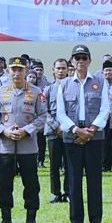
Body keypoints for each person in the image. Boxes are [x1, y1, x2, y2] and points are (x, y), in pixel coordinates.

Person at [55, 44, 112, 223]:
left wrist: (91, 130)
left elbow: (105, 109)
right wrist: (77, 131)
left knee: (94, 180)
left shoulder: (100, 82)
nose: (80, 61)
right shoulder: (63, 84)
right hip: (72, 138)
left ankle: (96, 220)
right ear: (72, 61)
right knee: (74, 179)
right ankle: (76, 220)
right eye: (77, 58)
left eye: (84, 58)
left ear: (89, 61)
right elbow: (60, 114)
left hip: (95, 138)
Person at [0, 55, 47, 223]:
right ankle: (6, 219)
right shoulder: (0, 91)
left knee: (31, 184)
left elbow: (43, 116)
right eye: (13, 69)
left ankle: (31, 220)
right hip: (6, 146)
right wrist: (3, 131)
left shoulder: (36, 92)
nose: (17, 73)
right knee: (4, 184)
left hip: (27, 146)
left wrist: (27, 130)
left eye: (20, 69)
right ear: (8, 71)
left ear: (26, 71)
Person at [43, 58, 70, 202]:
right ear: (53, 70)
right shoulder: (48, 89)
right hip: (53, 132)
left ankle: (68, 192)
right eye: (58, 68)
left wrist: (66, 127)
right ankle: (56, 193)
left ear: (67, 70)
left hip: (69, 132)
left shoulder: (72, 87)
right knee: (54, 164)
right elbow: (43, 111)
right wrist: (56, 126)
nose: (60, 71)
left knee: (69, 164)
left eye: (63, 68)